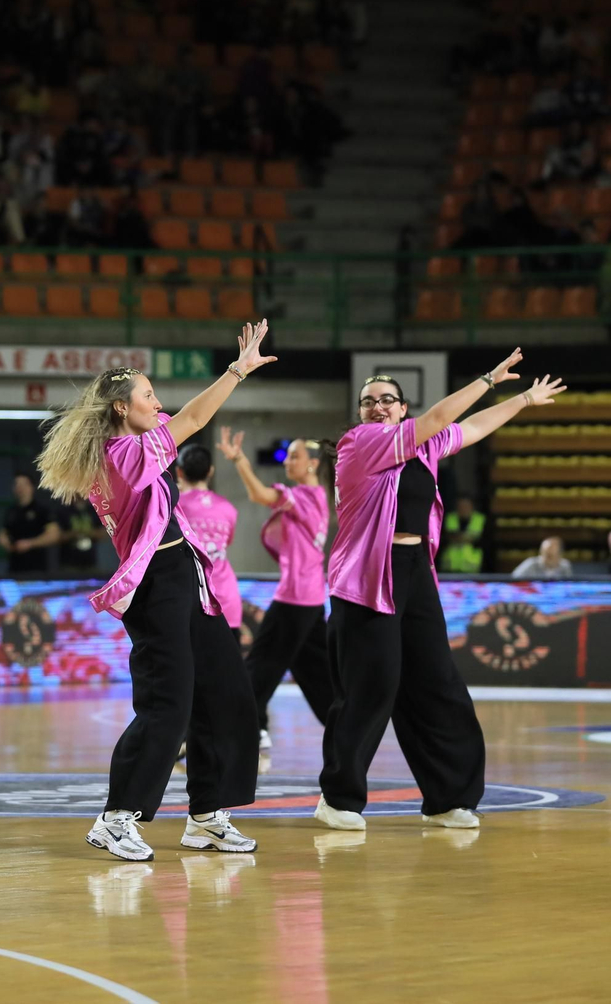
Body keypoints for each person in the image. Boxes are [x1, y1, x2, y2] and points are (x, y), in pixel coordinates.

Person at [35, 320, 276, 861]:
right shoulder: (120, 457)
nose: (158, 400)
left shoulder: (139, 437)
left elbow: (179, 415)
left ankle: (208, 816)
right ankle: (116, 817)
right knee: (168, 703)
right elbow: (192, 417)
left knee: (225, 692)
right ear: (123, 408)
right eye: (148, 394)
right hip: (156, 584)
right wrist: (238, 369)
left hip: (187, 573)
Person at [315, 352, 564, 835]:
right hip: (368, 575)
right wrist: (488, 378)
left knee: (436, 682)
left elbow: (471, 428)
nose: (378, 407)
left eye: (388, 400)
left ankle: (448, 797)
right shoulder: (360, 443)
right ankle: (337, 797)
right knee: (372, 686)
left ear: (402, 407)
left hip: (415, 570)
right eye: (369, 401)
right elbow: (439, 418)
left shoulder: (422, 449)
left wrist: (525, 400)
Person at [216, 429, 333, 751]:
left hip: (294, 599)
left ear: (312, 464)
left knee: (258, 670)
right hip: (310, 600)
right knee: (315, 674)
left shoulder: (306, 497)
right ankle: (344, 726)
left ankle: (250, 730)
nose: (288, 462)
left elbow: (260, 495)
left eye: (294, 456)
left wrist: (239, 460)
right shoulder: (320, 497)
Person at [173, 444, 242, 636]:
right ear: (210, 471)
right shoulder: (228, 508)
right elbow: (226, 543)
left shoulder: (173, 506)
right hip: (225, 599)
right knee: (228, 666)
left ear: (179, 471)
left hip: (188, 601)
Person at [0, 471, 60, 574]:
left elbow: (54, 535)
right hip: (14, 567)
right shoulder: (11, 511)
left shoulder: (41, 510)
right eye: (17, 484)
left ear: (31, 487)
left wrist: (30, 544)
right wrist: (5, 542)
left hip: (36, 568)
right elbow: (3, 533)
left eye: (23, 484)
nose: (20, 488)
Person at [439, 496, 485, 574]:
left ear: (472, 507)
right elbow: (444, 537)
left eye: (466, 506)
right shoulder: (449, 518)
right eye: (460, 506)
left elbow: (482, 540)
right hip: (449, 568)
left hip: (472, 569)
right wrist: (467, 538)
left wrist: (456, 537)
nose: (463, 509)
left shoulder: (480, 520)